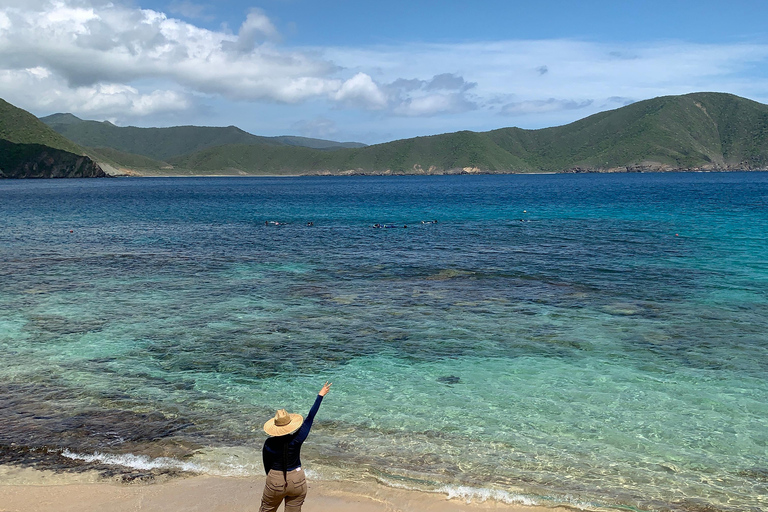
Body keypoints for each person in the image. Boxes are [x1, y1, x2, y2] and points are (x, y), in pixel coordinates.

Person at [259, 381, 332, 512]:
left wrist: (272, 479)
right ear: (290, 424)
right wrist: (320, 395)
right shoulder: (297, 439)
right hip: (297, 480)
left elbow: (267, 465)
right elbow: (310, 418)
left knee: (267, 509)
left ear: (274, 427)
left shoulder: (269, 443)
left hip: (275, 480)